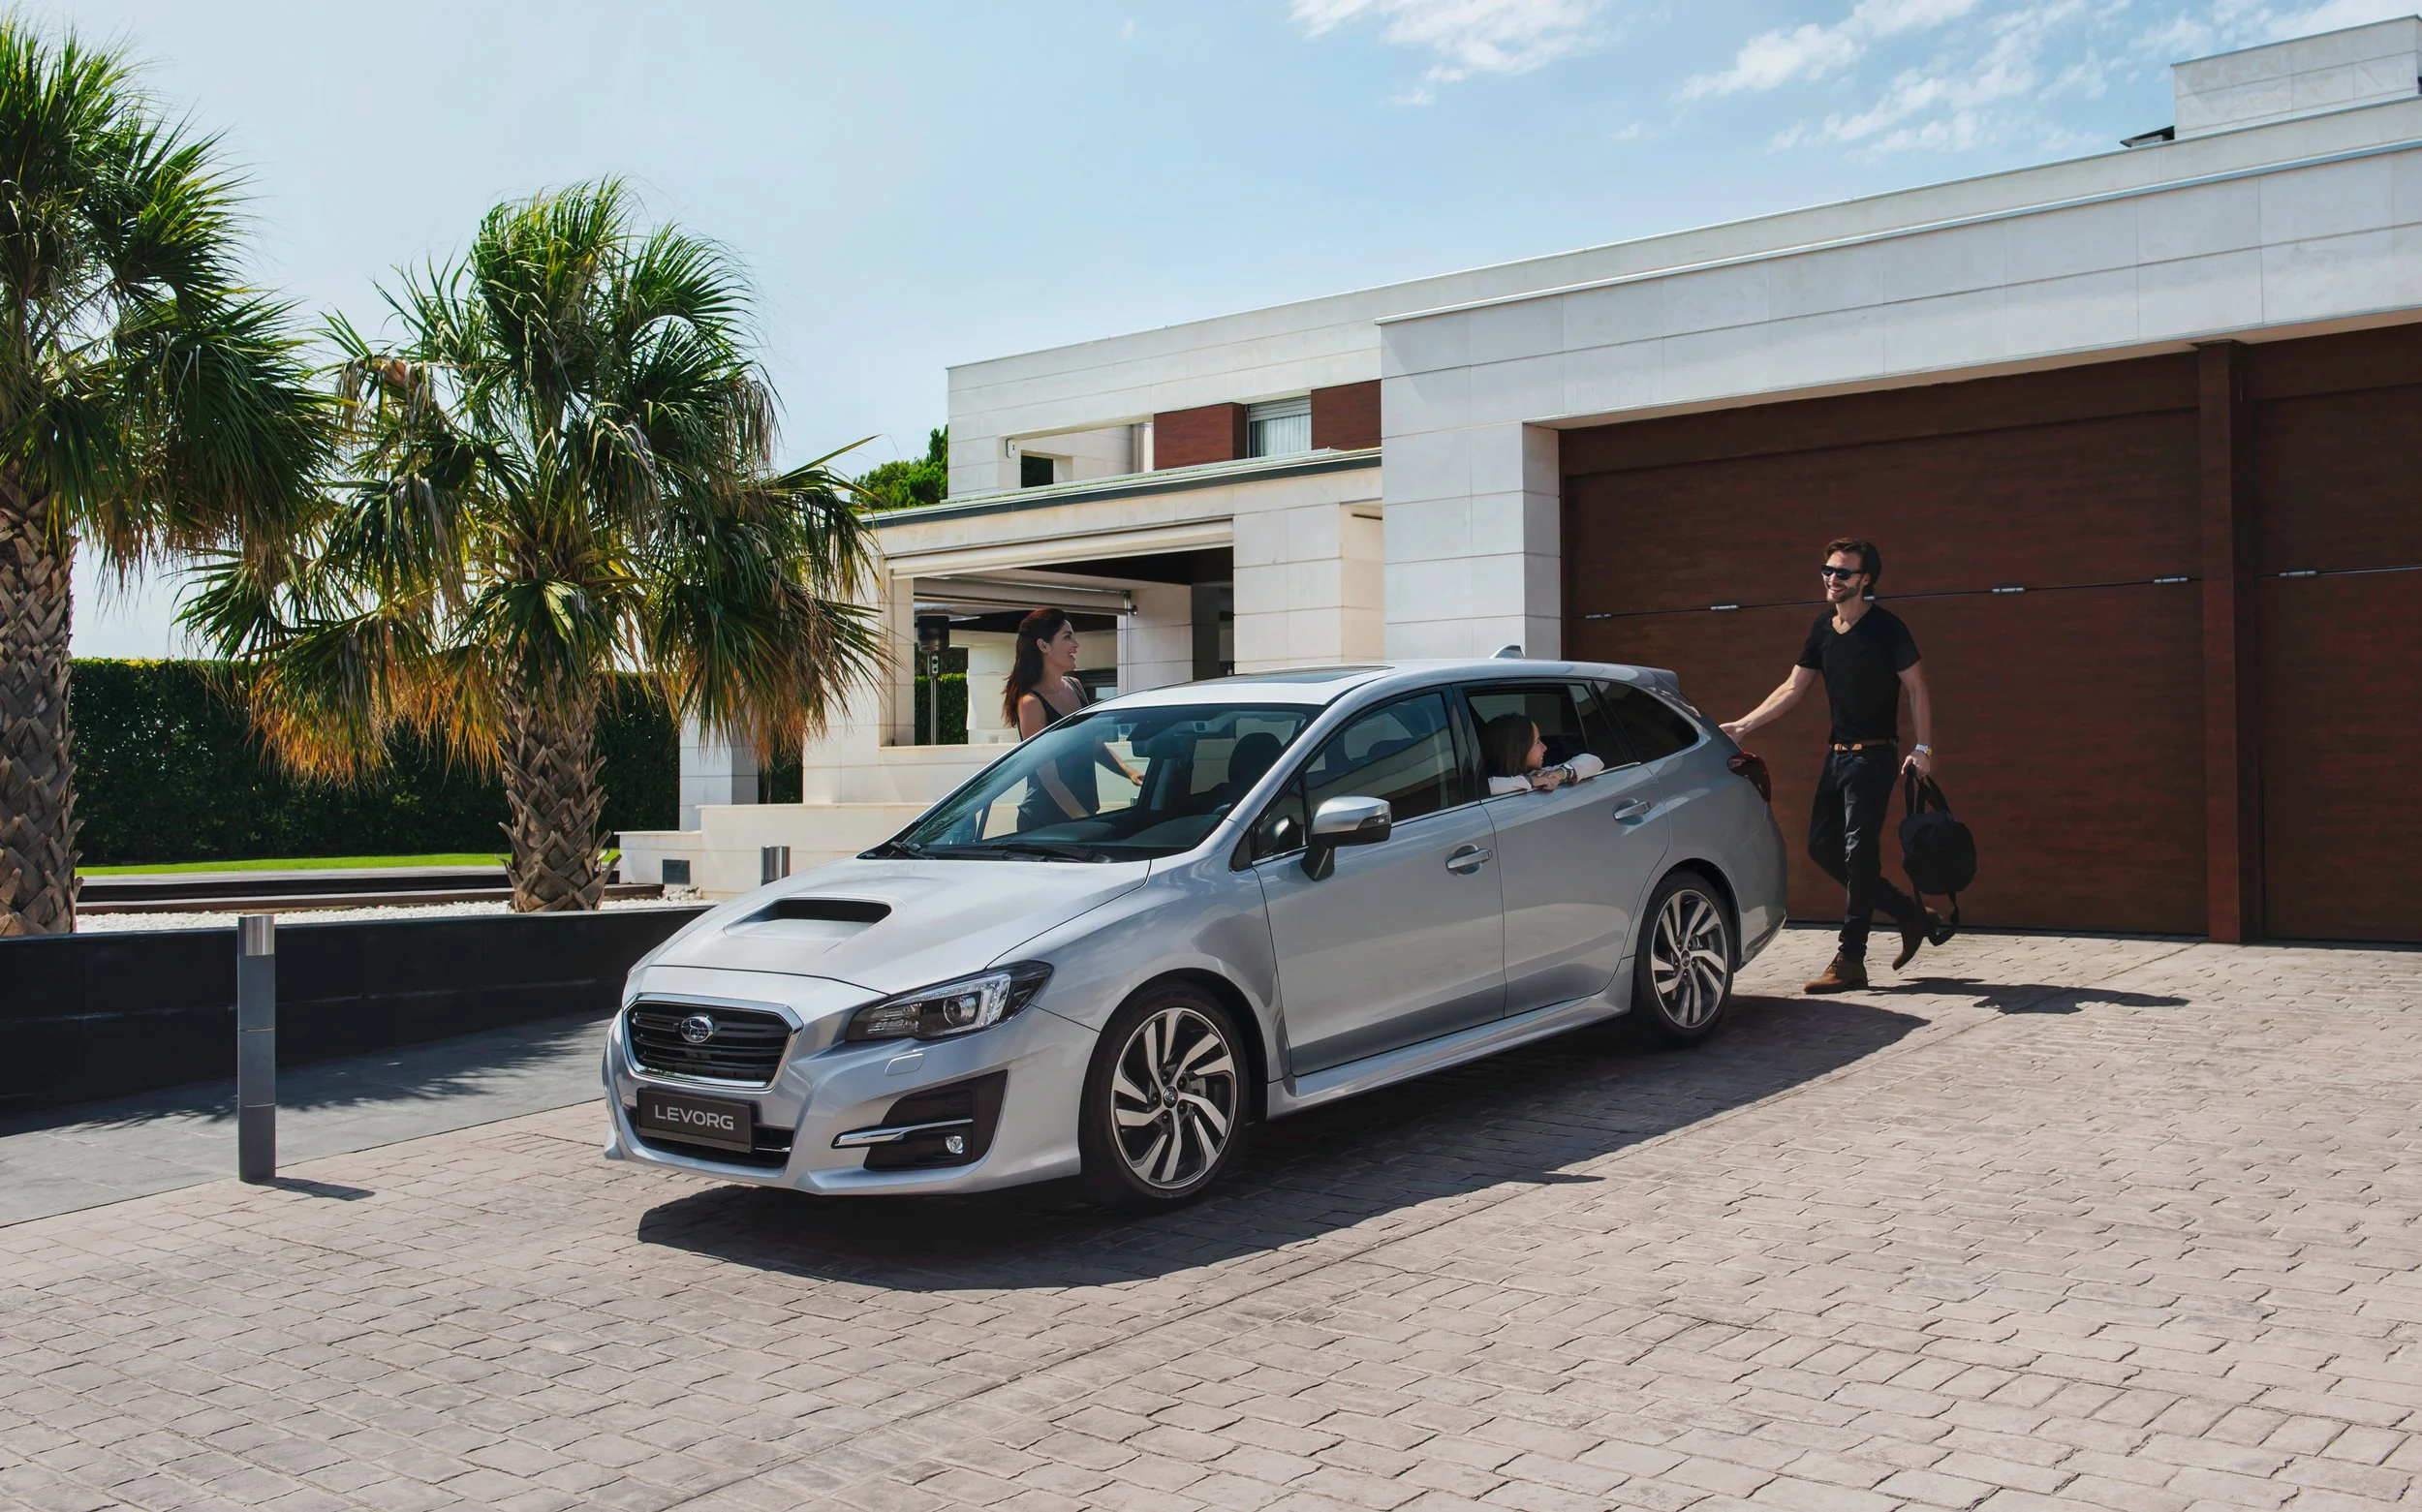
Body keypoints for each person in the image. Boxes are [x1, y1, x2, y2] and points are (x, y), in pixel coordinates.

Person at [1720, 538, 1949, 993]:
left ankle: (1850, 959)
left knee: (1858, 852)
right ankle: (1908, 914)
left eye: (1842, 572)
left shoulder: (1887, 628)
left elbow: (1918, 687)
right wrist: (1744, 726)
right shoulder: (1822, 629)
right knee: (1824, 848)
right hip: (1837, 755)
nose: (1831, 578)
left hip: (1875, 755)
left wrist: (1923, 748)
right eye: (1827, 569)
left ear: (1866, 580)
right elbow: (1792, 687)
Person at [1003, 607, 1141, 829]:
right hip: (1044, 824)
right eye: (1067, 637)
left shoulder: (1075, 687)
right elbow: (1048, 776)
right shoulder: (1031, 703)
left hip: (1082, 816)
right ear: (1043, 645)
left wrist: (1132, 773)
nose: (1076, 644)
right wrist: (1082, 819)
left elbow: (1093, 744)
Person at [1479, 712, 1604, 796]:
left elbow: (1594, 761)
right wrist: (1531, 781)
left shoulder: (1540, 773)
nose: (1544, 747)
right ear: (1518, 750)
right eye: (1537, 742)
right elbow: (1488, 787)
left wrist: (1560, 773)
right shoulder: (1482, 784)